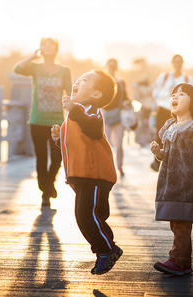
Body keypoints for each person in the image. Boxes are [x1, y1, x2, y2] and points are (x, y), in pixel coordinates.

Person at [51, 70, 122, 275]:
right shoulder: (77, 112)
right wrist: (58, 138)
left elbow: (93, 129)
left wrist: (73, 110)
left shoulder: (90, 110)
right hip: (83, 176)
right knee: (89, 215)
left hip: (95, 175)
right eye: (79, 78)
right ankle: (108, 247)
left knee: (86, 215)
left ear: (97, 94)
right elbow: (75, 144)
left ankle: (107, 250)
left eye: (85, 80)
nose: (78, 81)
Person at [151, 83, 193, 276]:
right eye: (173, 94)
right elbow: (166, 154)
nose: (175, 97)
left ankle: (177, 260)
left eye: (182, 94)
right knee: (177, 224)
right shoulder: (170, 126)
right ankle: (183, 263)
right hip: (170, 183)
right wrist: (158, 153)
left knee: (182, 225)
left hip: (186, 183)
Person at [14, 38, 72, 207]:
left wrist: (73, 110)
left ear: (56, 50)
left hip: (56, 121)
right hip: (37, 120)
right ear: (41, 49)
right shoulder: (35, 68)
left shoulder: (64, 71)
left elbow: (69, 92)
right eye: (44, 45)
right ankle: (45, 192)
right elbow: (17, 69)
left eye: (51, 45)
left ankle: (49, 184)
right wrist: (32, 57)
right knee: (41, 158)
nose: (47, 48)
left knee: (57, 157)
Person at [151, 54, 193, 171]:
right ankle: (157, 161)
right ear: (172, 63)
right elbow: (155, 93)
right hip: (163, 109)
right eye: (175, 62)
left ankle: (177, 160)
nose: (177, 64)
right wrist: (168, 94)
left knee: (178, 136)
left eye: (180, 62)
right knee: (160, 135)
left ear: (182, 64)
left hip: (180, 112)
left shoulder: (187, 80)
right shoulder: (163, 77)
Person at [102, 58, 130, 177]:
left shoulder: (121, 82)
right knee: (105, 144)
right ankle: (106, 167)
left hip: (118, 115)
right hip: (105, 115)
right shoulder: (102, 81)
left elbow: (126, 98)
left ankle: (119, 166)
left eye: (114, 66)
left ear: (116, 68)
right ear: (107, 66)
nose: (112, 68)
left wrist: (126, 103)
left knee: (119, 144)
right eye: (110, 65)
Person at [132, 78, 154, 146]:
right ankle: (144, 139)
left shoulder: (145, 88)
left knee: (145, 124)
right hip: (145, 108)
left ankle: (144, 139)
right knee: (145, 124)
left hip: (147, 108)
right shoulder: (148, 88)